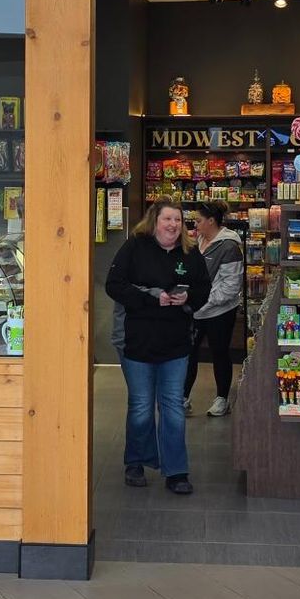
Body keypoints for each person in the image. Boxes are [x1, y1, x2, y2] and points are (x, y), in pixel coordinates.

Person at [104, 199, 199, 494]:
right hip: (139, 341)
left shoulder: (190, 253)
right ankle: (136, 461)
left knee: (172, 407)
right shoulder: (135, 247)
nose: (173, 225)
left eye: (178, 220)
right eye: (167, 219)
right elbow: (114, 285)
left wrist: (189, 298)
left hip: (175, 343)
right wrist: (150, 297)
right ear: (154, 221)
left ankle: (176, 471)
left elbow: (204, 287)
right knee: (142, 406)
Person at [185, 201, 244, 418]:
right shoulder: (197, 241)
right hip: (196, 310)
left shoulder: (229, 247)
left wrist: (200, 302)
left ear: (211, 221)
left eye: (198, 220)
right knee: (189, 353)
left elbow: (229, 288)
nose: (195, 224)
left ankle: (222, 399)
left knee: (219, 353)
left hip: (219, 312)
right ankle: (183, 398)